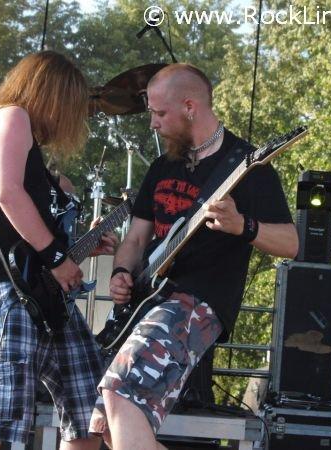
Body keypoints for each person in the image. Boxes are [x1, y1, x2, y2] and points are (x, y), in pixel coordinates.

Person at [89, 64, 299, 450]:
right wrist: (121, 271)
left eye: (159, 112)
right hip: (150, 300)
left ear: (190, 107)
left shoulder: (248, 166)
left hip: (199, 302)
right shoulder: (162, 166)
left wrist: (243, 226)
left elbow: (290, 243)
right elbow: (136, 238)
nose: (152, 123)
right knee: (106, 423)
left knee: (121, 391)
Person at [0, 51, 116, 450]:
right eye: (71, 104)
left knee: (90, 408)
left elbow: (31, 234)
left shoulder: (35, 156)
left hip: (42, 295)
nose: (72, 117)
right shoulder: (11, 117)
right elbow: (8, 195)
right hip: (5, 290)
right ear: (53, 94)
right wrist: (59, 259)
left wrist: (80, 249)